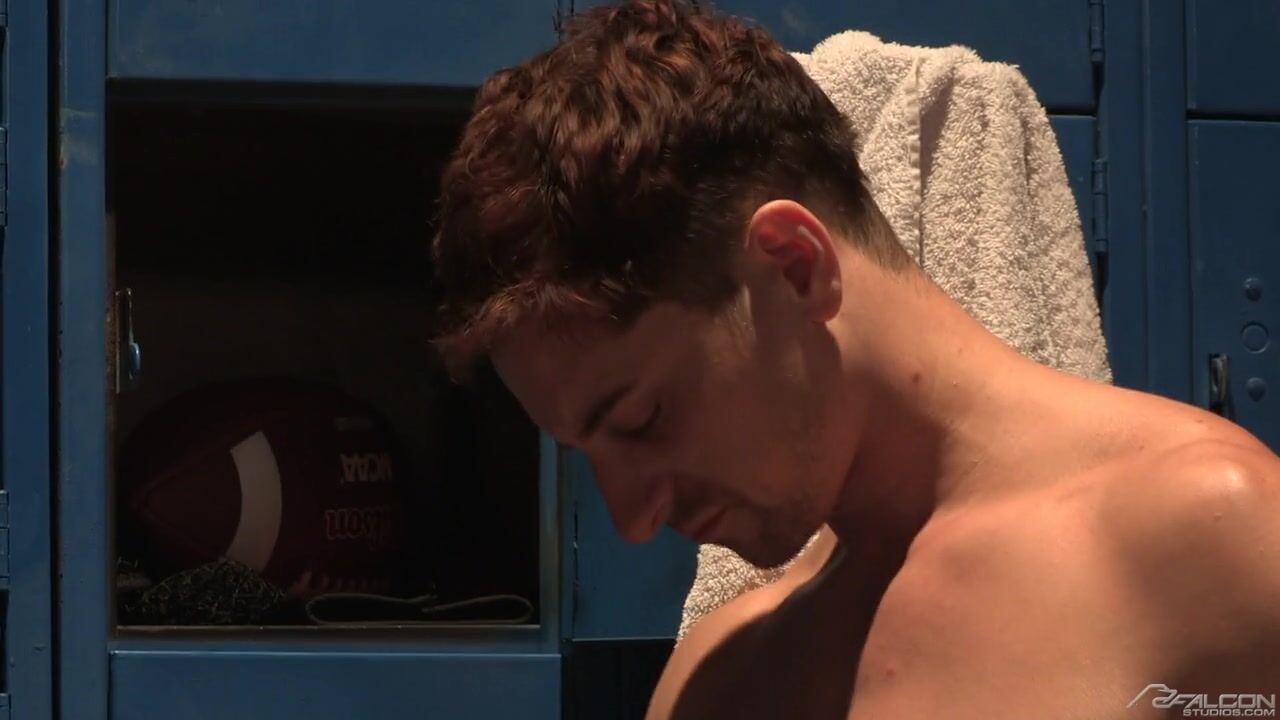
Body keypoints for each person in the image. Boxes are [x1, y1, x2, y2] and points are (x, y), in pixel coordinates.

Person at [429, 0, 1280, 717]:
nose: (634, 519)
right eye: (588, 454)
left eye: (643, 418)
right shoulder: (718, 678)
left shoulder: (1215, 546)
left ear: (795, 269)